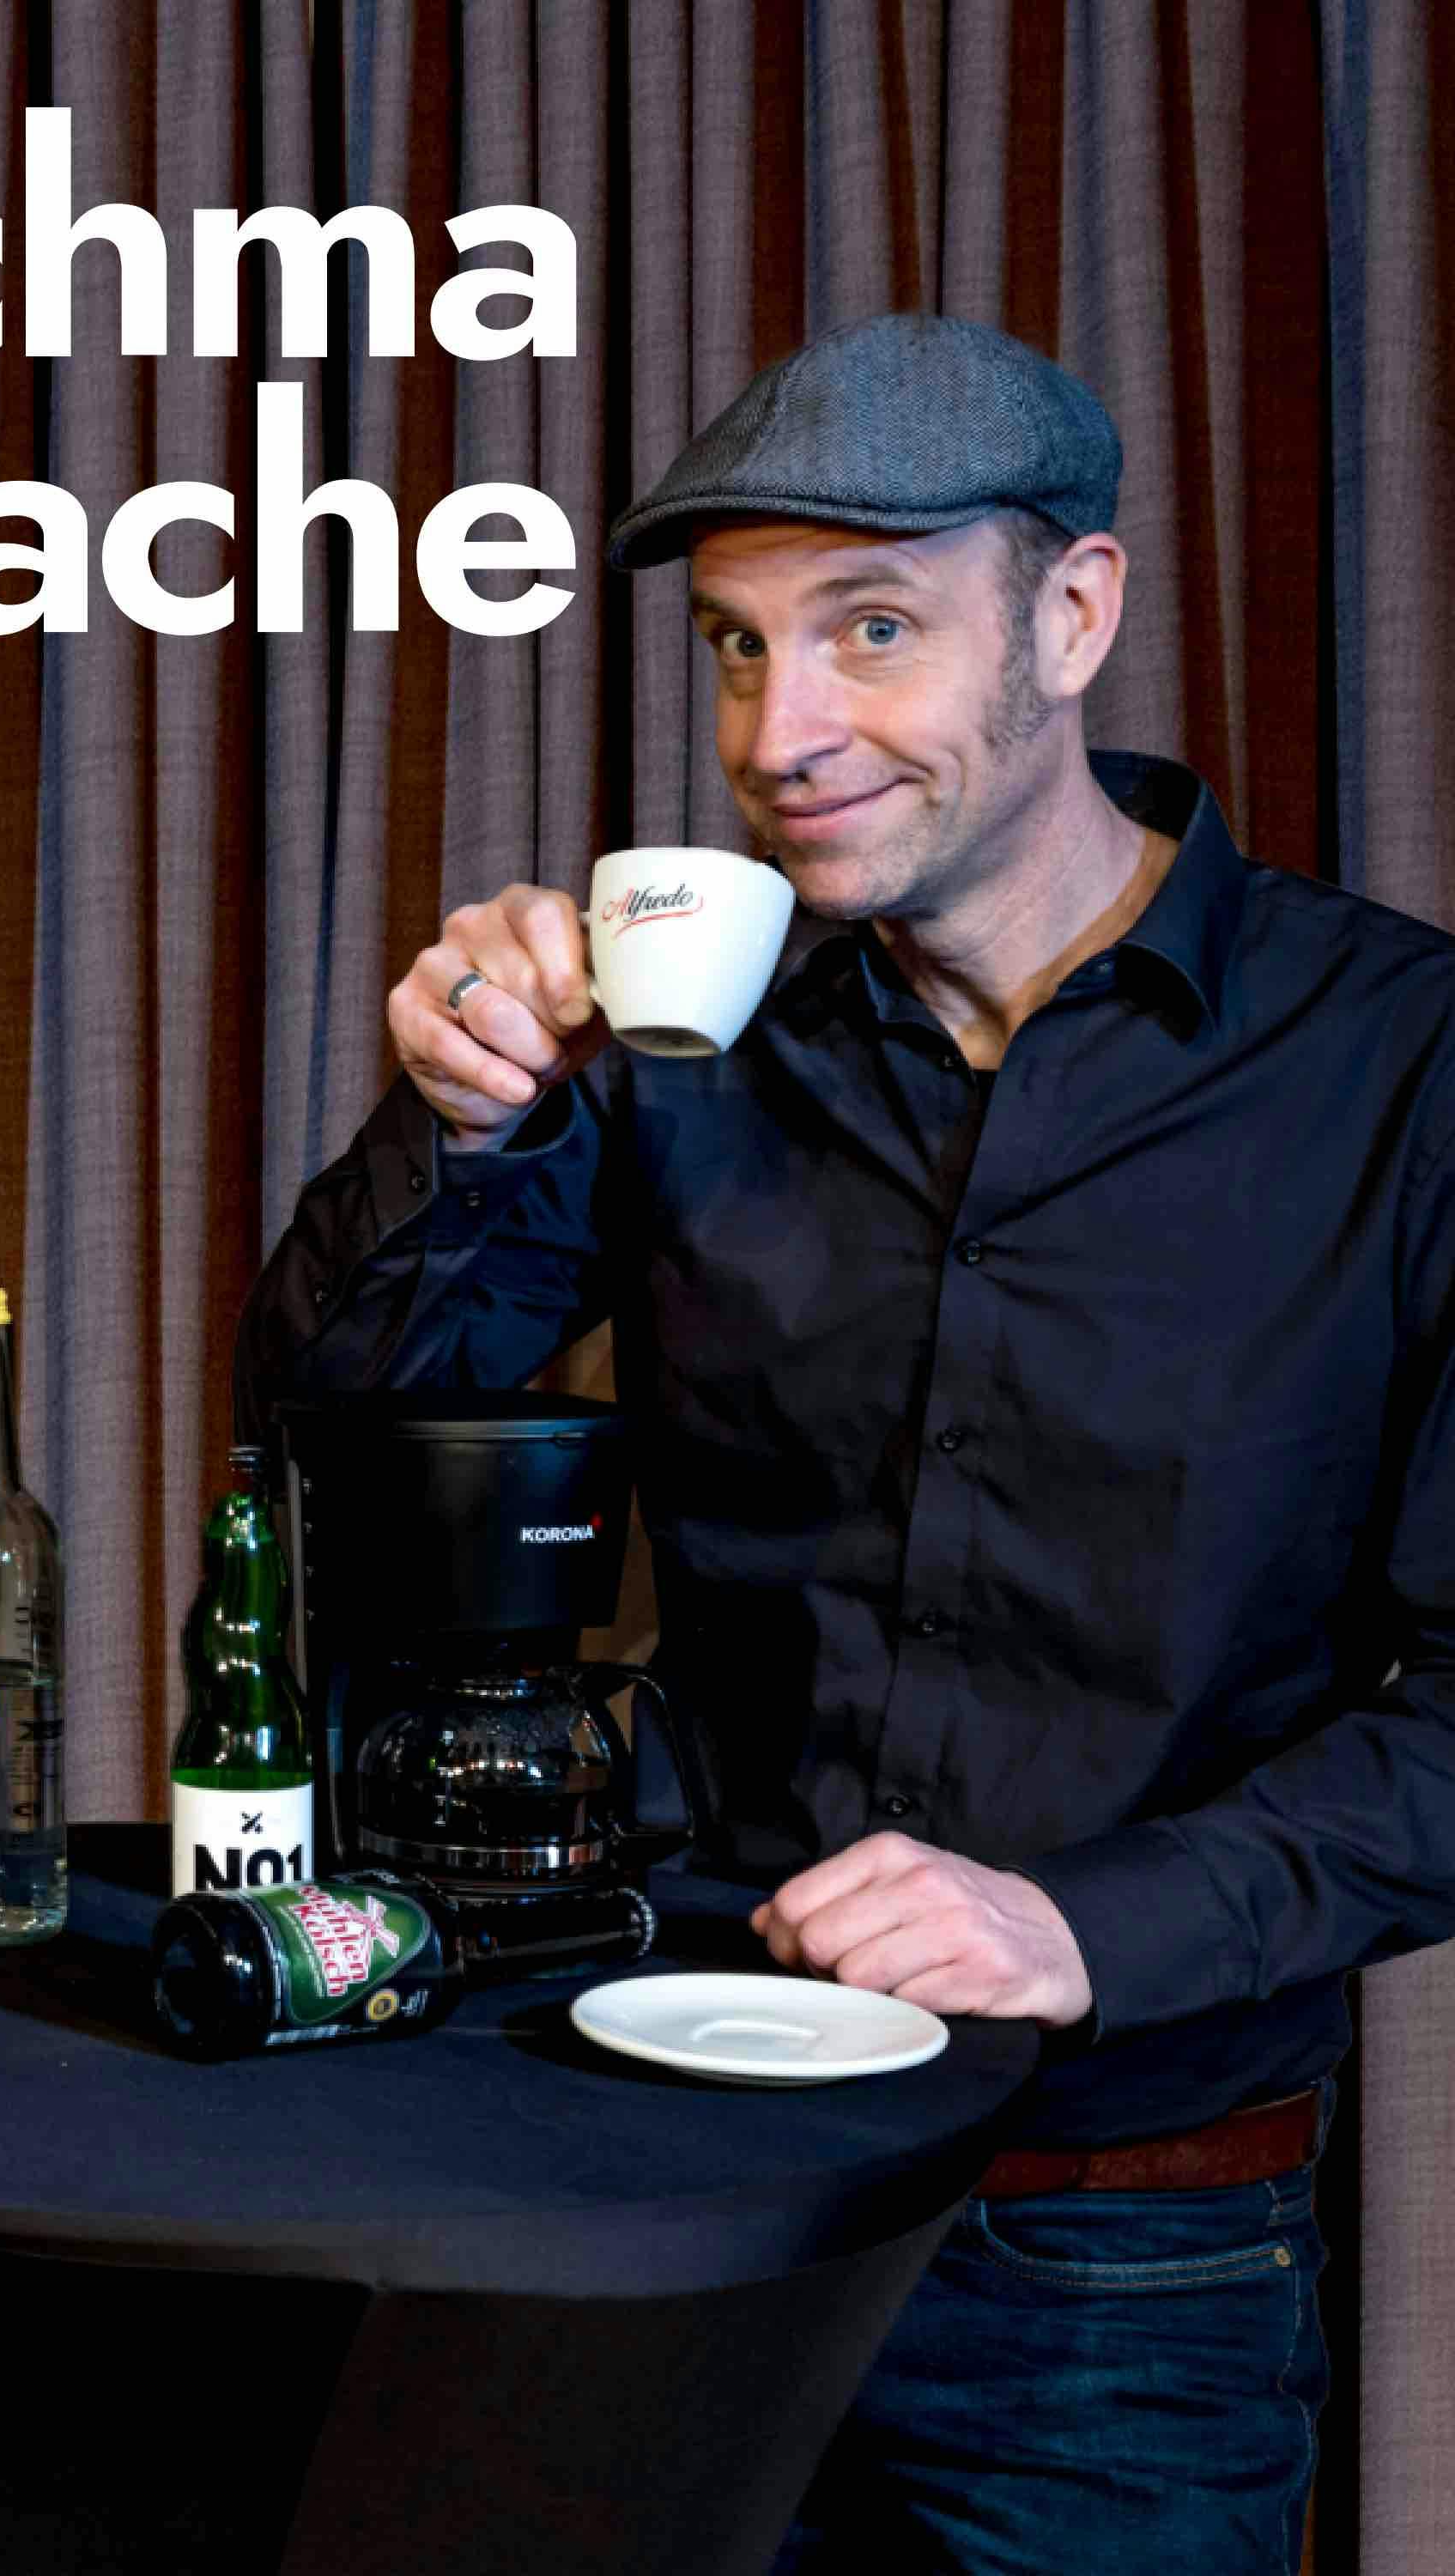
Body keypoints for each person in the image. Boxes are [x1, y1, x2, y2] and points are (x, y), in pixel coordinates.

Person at [235, 313, 1455, 2572]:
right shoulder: (678, 1032)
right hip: (659, 2187)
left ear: (1071, 615)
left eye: (870, 630)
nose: (778, 736)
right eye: (736, 647)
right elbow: (338, 1443)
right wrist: (465, 1120)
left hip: (1126, 2267)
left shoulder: (1403, 1066)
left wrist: (1080, 1924)